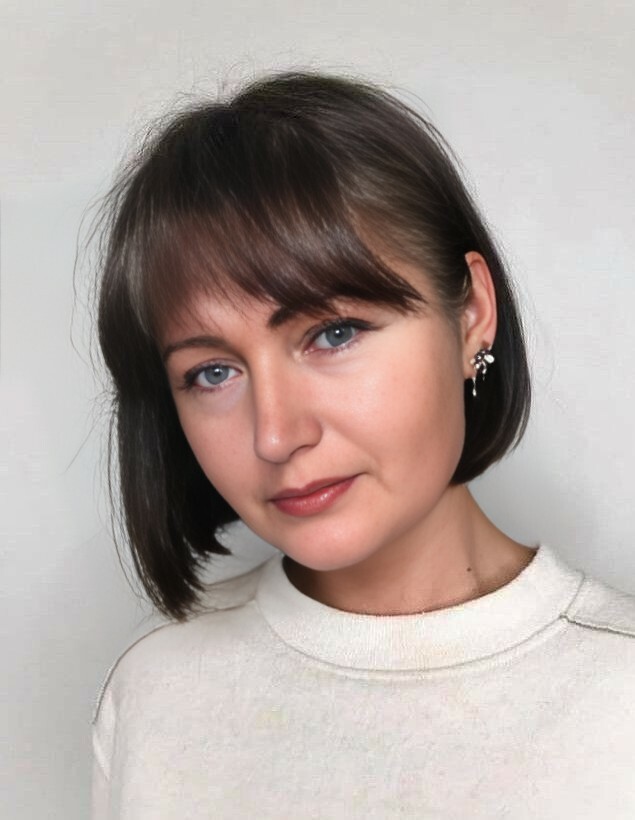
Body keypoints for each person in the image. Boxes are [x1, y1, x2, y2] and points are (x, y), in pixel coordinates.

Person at [90, 70, 635, 819]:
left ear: (472, 312)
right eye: (212, 373)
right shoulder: (157, 690)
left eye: (334, 333)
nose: (276, 435)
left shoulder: (617, 695)